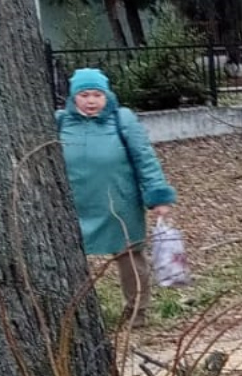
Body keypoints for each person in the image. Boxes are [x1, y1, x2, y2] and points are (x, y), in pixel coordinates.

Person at [57, 68, 177, 328]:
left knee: (130, 256)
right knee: (67, 258)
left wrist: (158, 197)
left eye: (97, 94)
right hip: (74, 205)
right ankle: (77, 313)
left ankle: (137, 311)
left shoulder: (122, 120)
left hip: (119, 202)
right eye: (84, 94)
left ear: (107, 95)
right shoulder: (60, 122)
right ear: (73, 97)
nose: (91, 101)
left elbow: (145, 159)